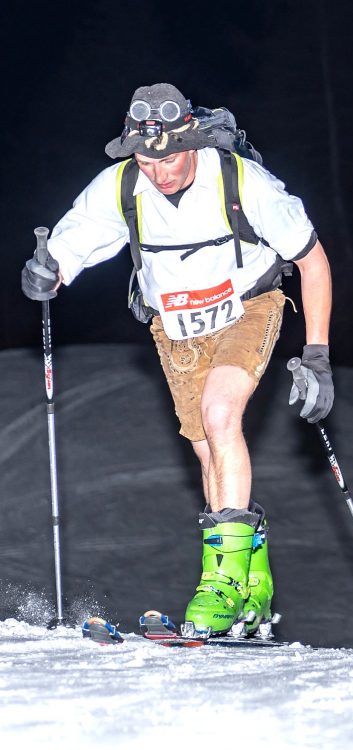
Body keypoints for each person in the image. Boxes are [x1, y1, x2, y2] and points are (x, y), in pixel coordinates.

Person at [21, 83, 334, 638]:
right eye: (147, 161)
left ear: (189, 140)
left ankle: (220, 583)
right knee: (208, 452)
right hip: (176, 328)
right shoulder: (122, 185)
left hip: (248, 308)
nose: (159, 172)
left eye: (168, 159)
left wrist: (316, 355)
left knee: (220, 416)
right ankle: (252, 584)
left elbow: (313, 261)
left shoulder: (241, 181)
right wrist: (49, 271)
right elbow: (71, 245)